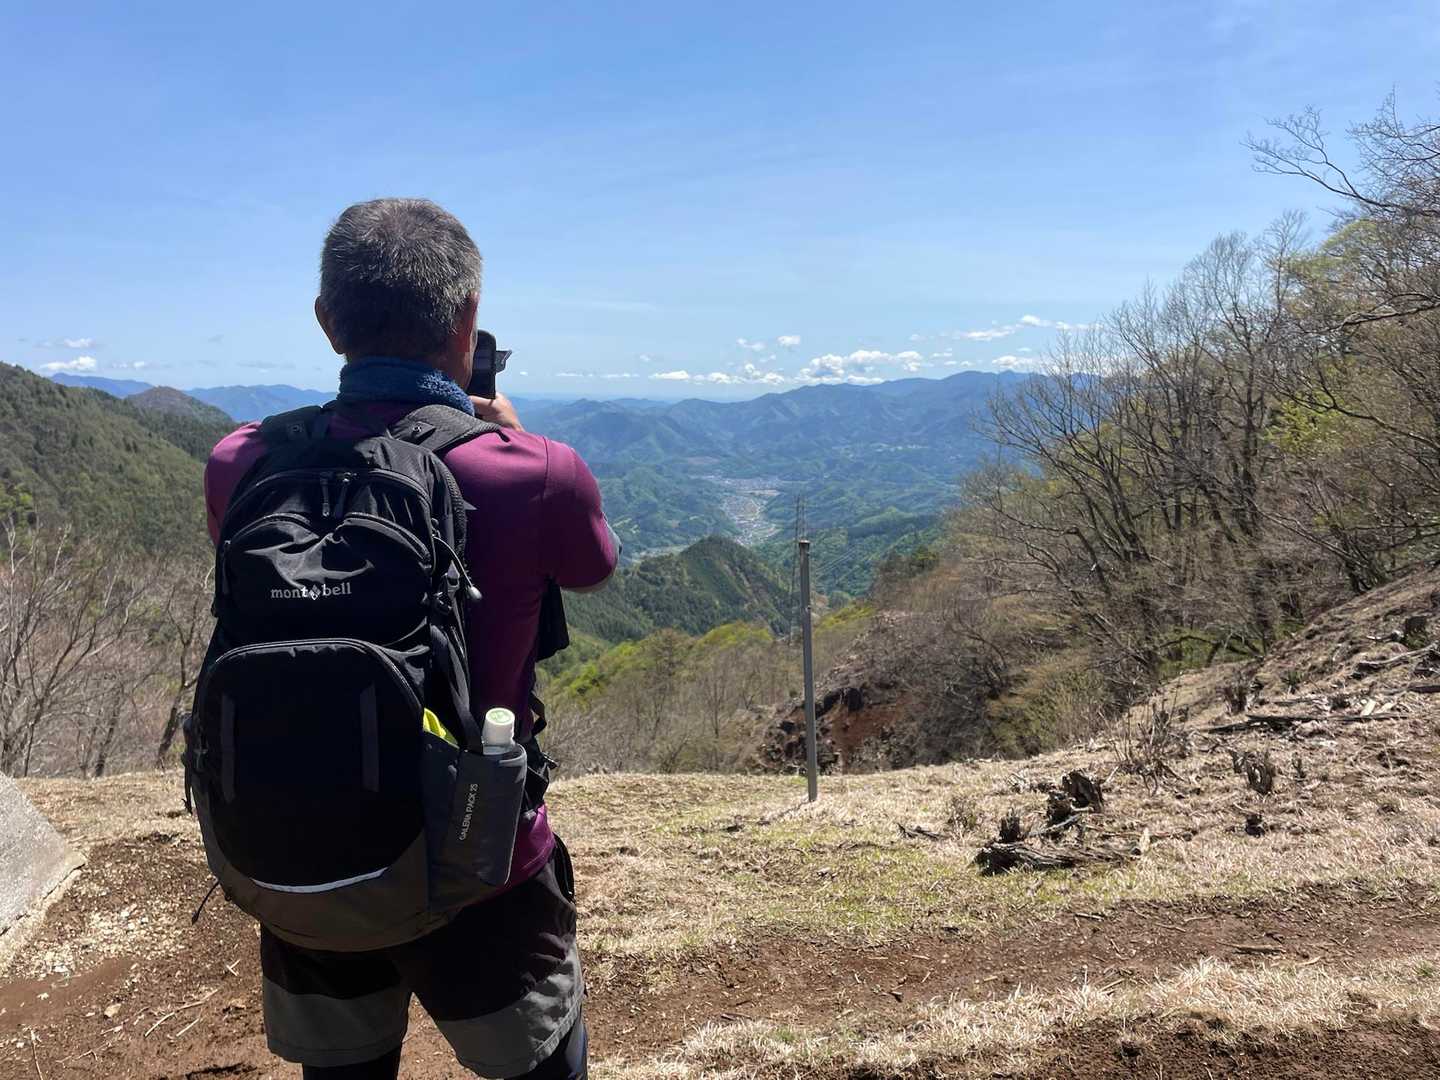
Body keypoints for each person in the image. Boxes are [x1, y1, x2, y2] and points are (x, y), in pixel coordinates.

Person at [203, 198, 616, 1079]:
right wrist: (509, 438)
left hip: (305, 847)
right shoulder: (536, 472)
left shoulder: (241, 463)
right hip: (483, 861)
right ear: (468, 320)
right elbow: (593, 567)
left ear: (327, 322)